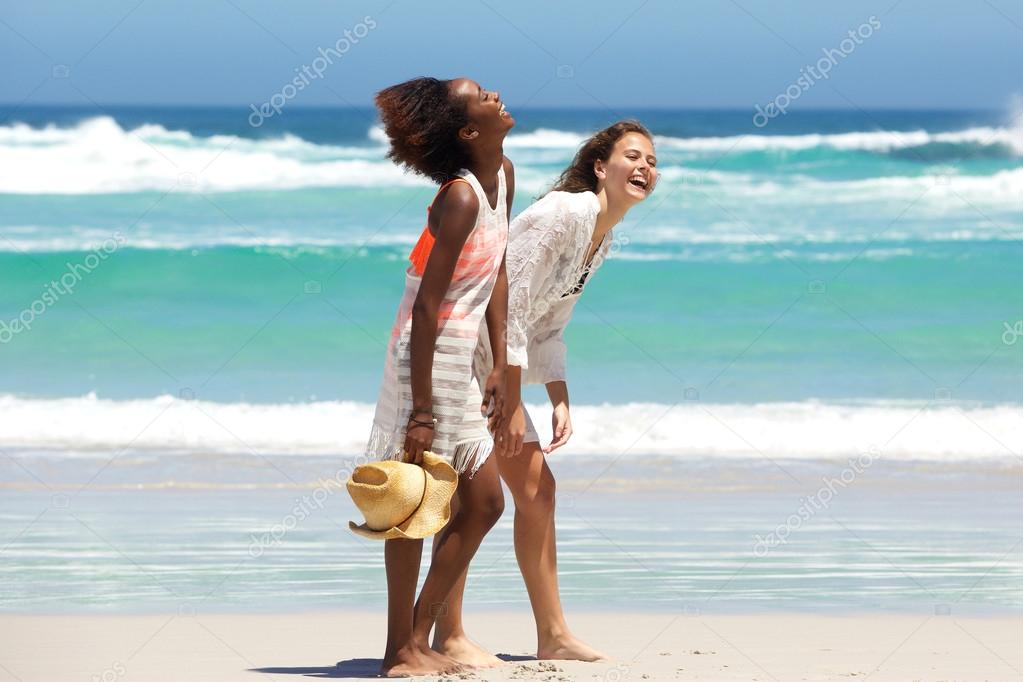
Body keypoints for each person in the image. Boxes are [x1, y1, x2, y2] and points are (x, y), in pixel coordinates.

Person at [433, 121, 658, 663]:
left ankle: (552, 635)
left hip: (496, 362)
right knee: (471, 496)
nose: (646, 168)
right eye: (633, 156)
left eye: (653, 162)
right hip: (465, 351)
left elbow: (548, 324)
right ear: (600, 167)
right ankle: (449, 634)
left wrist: (558, 394)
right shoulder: (568, 213)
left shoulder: (599, 236)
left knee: (537, 494)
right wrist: (509, 403)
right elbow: (504, 299)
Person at [367, 75, 515, 677]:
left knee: (480, 504)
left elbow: (498, 267)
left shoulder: (501, 175)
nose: (496, 94)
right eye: (482, 95)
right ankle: (400, 649)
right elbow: (426, 308)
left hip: (463, 357)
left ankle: (416, 638)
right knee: (413, 502)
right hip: (422, 361)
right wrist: (421, 412)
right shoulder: (458, 198)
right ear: (468, 131)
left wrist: (501, 359)